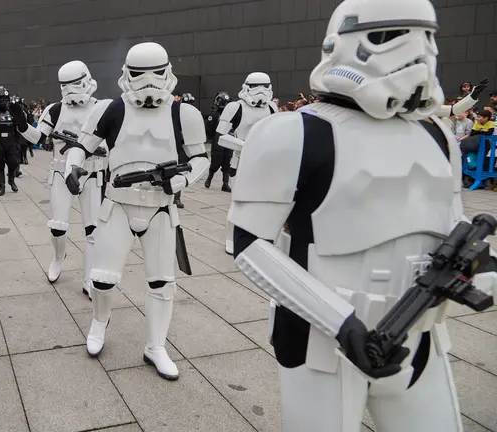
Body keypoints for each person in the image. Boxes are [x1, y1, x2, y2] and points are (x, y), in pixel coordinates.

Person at [228, 0, 497, 430]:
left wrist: (480, 271)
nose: (416, 54)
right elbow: (248, 245)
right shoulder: (293, 132)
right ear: (341, 44)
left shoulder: (437, 135)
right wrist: (339, 323)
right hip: (321, 345)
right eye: (391, 37)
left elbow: (454, 225)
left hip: (420, 339)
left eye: (426, 38)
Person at [64, 42, 209, 380]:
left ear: (167, 72)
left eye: (155, 73)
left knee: (162, 283)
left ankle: (155, 346)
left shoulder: (184, 114)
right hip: (118, 204)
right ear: (127, 74)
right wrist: (73, 168)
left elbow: (200, 157)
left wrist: (182, 179)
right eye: (140, 74)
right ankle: (99, 323)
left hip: (160, 208)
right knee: (102, 279)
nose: (148, 82)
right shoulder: (110, 109)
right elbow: (81, 146)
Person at [13, 61, 109, 295]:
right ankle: (58, 257)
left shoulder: (100, 108)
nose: (71, 90)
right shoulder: (55, 110)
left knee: (93, 229)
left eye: (75, 84)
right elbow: (38, 137)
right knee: (58, 226)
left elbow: (111, 141)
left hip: (92, 172)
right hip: (61, 170)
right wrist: (21, 123)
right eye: (66, 85)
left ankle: (89, 277)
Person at [216, 72, 278, 254]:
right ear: (246, 87)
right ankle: (231, 239)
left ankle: (261, 238)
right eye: (255, 86)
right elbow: (221, 136)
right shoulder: (235, 107)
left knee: (265, 203)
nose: (261, 91)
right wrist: (247, 146)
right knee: (238, 203)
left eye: (265, 86)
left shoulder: (272, 107)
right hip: (241, 160)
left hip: (265, 162)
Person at [203, 92, 233, 191]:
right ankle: (209, 179)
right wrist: (213, 137)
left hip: (229, 139)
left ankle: (225, 183)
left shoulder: (232, 115)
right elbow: (209, 128)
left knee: (227, 161)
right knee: (216, 160)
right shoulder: (214, 114)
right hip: (218, 140)